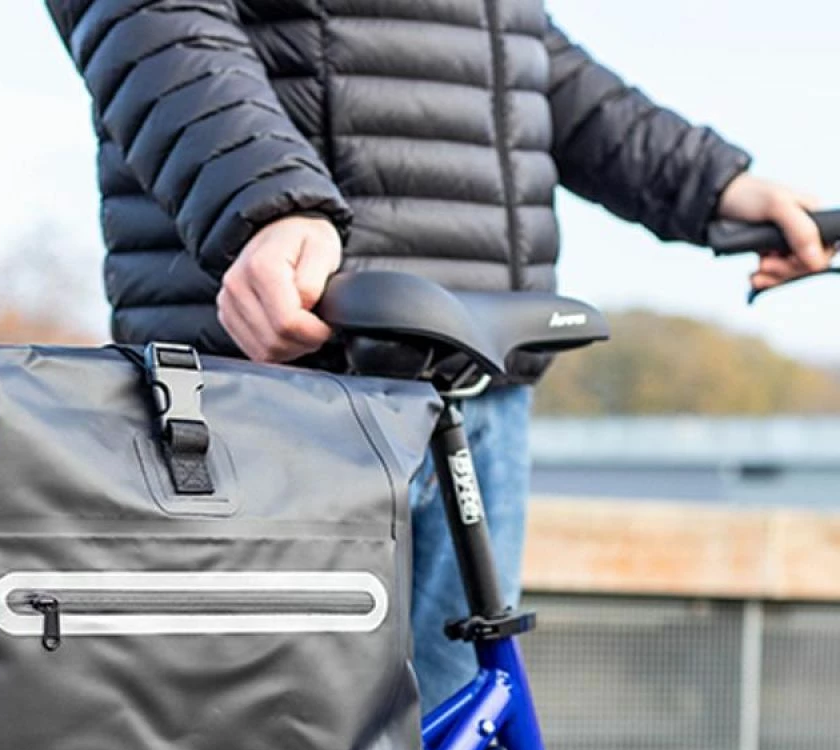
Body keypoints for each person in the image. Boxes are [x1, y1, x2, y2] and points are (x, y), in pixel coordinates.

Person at [44, 0, 830, 711]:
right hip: (290, 377)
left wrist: (711, 184)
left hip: (478, 381)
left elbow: (516, 51)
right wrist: (266, 198)